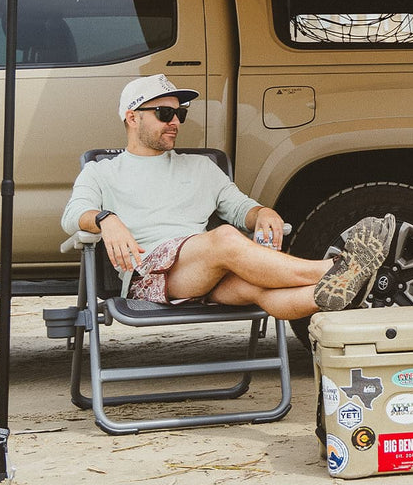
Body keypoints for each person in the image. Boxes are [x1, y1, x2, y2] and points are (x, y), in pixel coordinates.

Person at [61, 74, 390, 318]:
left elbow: (240, 207)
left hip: (206, 273)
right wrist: (106, 219)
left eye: (180, 114)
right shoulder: (103, 172)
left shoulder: (200, 168)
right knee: (225, 239)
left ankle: (342, 287)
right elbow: (72, 214)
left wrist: (262, 213)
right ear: (132, 117)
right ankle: (337, 267)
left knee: (259, 289)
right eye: (164, 113)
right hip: (151, 275)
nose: (175, 122)